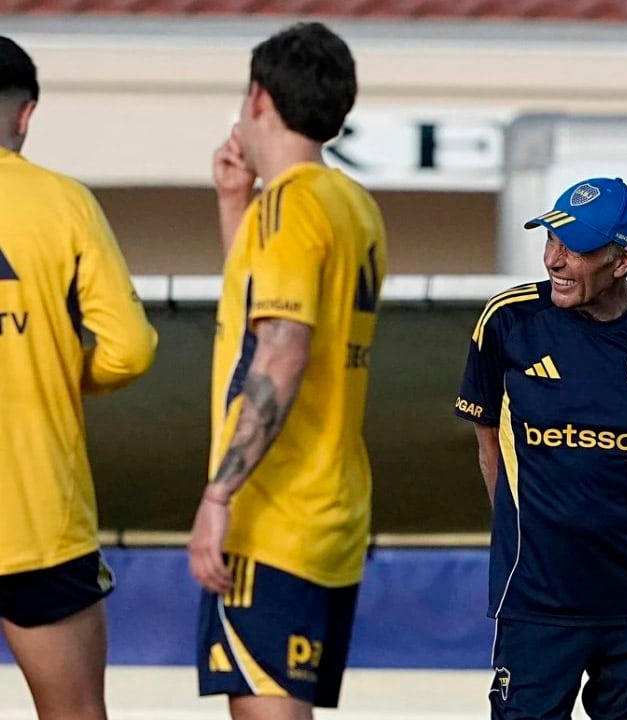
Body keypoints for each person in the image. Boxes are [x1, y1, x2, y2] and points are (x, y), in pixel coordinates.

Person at [454, 177, 627, 720]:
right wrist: (536, 537)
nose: (554, 259)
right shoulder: (506, 321)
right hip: (535, 602)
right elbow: (491, 450)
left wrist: (618, 535)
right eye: (550, 240)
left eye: (574, 248)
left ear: (622, 261)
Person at [186, 22, 387, 720]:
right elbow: (265, 303)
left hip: (273, 516)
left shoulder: (290, 205)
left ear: (259, 97)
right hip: (333, 510)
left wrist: (219, 495)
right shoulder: (351, 205)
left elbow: (281, 351)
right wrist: (234, 205)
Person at [0, 36, 157, 720]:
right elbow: (128, 348)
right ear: (26, 114)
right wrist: (58, 369)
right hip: (39, 520)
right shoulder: (64, 203)